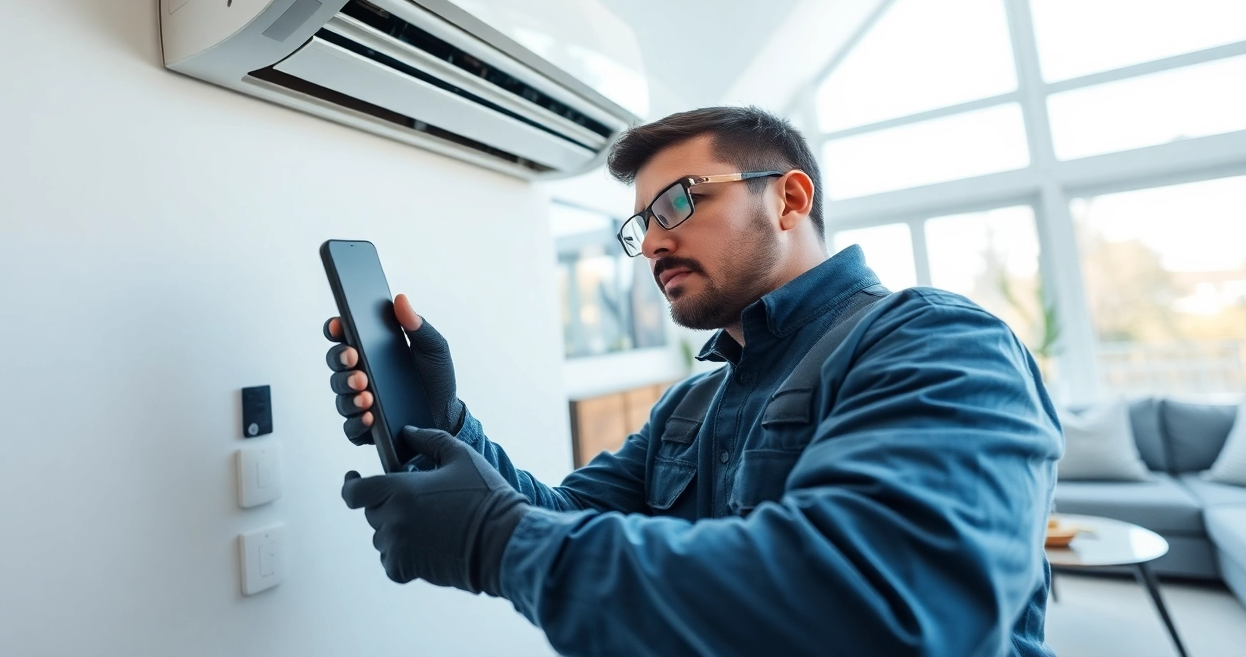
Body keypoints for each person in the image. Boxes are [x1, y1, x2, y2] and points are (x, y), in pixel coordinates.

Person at [325, 106, 1064, 656]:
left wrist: (494, 540)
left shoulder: (937, 343)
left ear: (789, 198)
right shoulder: (691, 405)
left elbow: (880, 611)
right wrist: (445, 421)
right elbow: (556, 513)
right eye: (640, 224)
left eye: (678, 200)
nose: (650, 241)